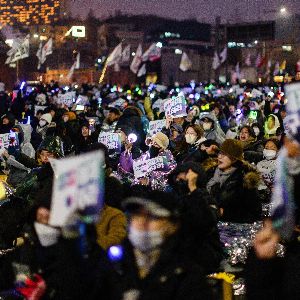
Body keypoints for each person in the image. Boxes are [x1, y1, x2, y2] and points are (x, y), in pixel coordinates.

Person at [103, 190, 213, 299]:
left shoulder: (185, 275)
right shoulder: (115, 264)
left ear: (173, 225)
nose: (142, 223)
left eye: (153, 217)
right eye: (137, 215)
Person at [207, 139, 262, 223]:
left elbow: (254, 213)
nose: (220, 157)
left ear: (234, 159)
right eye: (220, 153)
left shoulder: (245, 180)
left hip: (230, 231)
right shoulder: (210, 172)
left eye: (225, 154)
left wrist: (224, 213)